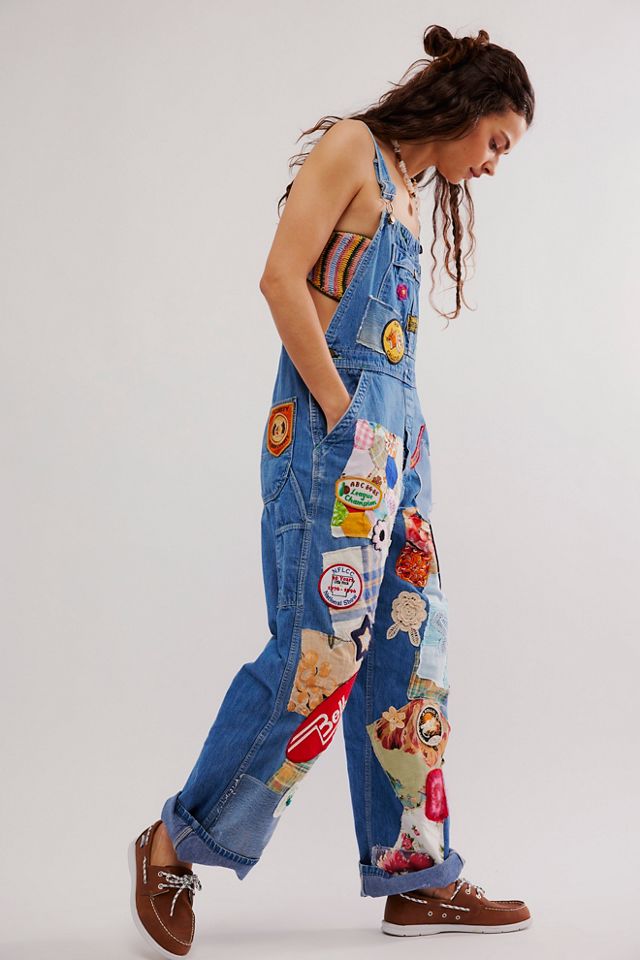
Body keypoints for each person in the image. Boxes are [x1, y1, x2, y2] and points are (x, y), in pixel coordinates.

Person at [128, 23, 535, 957]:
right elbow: (281, 280)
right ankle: (172, 843)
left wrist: (398, 442)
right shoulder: (354, 148)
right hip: (332, 442)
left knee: (407, 654)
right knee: (321, 654)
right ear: (469, 107)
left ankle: (416, 875)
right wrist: (347, 416)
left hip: (396, 450)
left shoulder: (408, 191)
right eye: (498, 141)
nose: (493, 164)